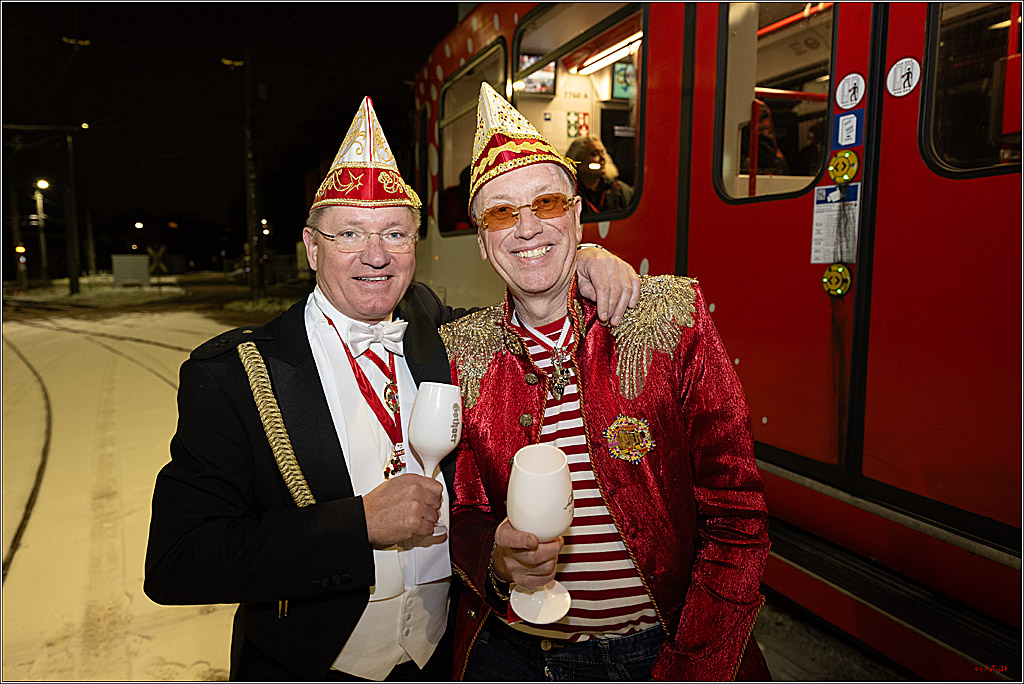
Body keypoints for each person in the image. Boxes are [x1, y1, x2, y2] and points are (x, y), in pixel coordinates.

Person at [143, 96, 640, 682]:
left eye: (395, 234)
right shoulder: (235, 373)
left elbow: (531, 301)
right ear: (311, 246)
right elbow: (178, 562)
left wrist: (582, 257)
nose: (375, 256)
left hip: (441, 660)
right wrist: (358, 526)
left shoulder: (448, 335)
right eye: (350, 233)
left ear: (415, 246)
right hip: (309, 666)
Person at [440, 82, 771, 681]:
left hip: (658, 654)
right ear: (484, 243)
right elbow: (462, 508)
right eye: (500, 212)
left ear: (576, 215)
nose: (526, 228)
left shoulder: (668, 318)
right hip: (513, 659)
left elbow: (736, 515)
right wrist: (494, 556)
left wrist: (696, 663)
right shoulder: (463, 355)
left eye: (546, 204)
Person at [565, 136, 634, 217]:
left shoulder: (619, 190)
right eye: (595, 154)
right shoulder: (568, 192)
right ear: (577, 161)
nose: (602, 158)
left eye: (603, 153)